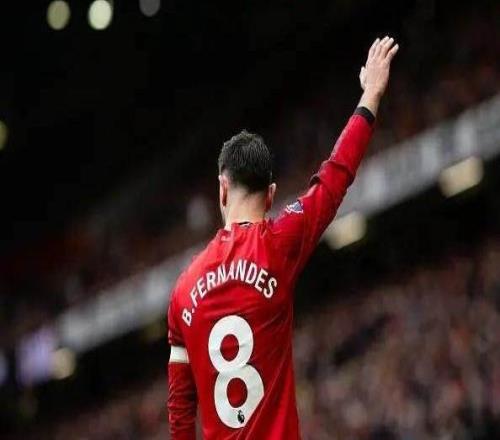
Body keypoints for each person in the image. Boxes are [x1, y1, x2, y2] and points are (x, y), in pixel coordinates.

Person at [167, 36, 399, 440]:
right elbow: (334, 177)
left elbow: (180, 410)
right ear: (271, 195)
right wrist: (370, 97)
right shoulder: (277, 244)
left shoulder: (183, 293)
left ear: (222, 189)